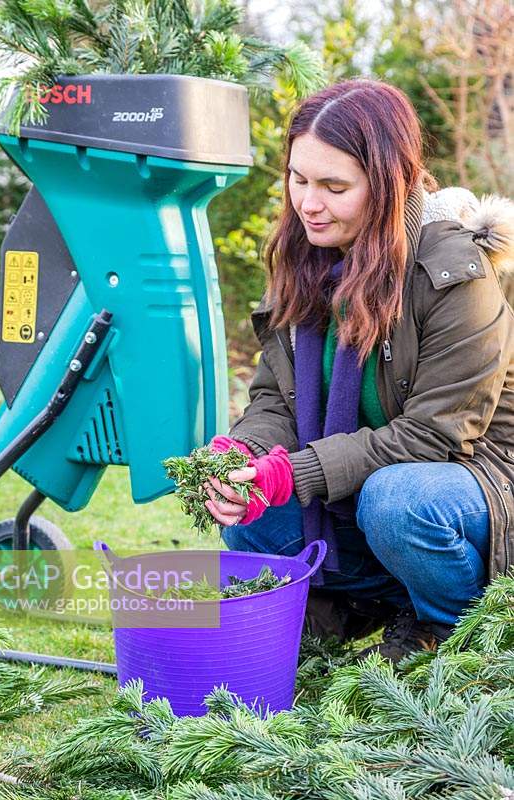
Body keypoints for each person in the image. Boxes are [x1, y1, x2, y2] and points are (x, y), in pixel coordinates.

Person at [201, 78, 514, 662]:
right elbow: (278, 399)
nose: (308, 203)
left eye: (334, 186)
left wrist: (294, 473)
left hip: (475, 484)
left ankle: (455, 633)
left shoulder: (452, 274)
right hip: (371, 492)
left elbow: (434, 437)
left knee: (395, 502)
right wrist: (244, 456)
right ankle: (380, 608)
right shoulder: (308, 258)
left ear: (387, 184)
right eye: (298, 179)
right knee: (252, 521)